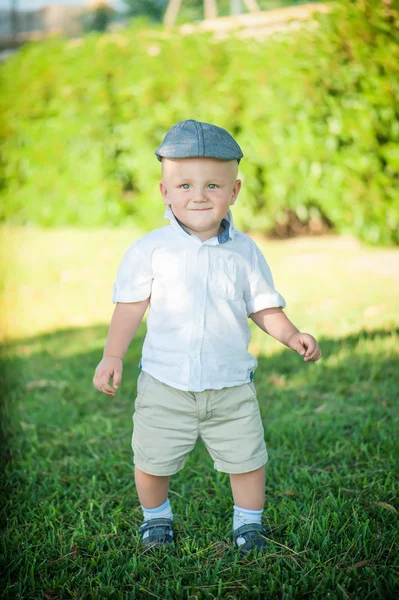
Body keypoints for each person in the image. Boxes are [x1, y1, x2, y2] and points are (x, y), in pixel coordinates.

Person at [93, 119, 322, 555]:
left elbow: (262, 305)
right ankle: (156, 518)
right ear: (164, 192)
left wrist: (292, 335)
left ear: (233, 191)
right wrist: (113, 355)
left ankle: (249, 525)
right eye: (183, 186)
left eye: (213, 184)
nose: (198, 195)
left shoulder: (244, 251)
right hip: (165, 383)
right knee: (151, 460)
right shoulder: (150, 249)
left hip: (231, 384)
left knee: (248, 459)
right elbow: (130, 306)